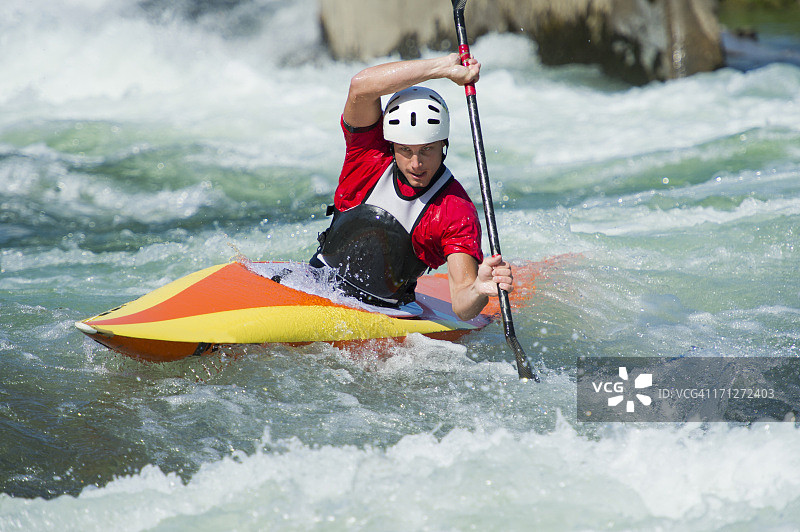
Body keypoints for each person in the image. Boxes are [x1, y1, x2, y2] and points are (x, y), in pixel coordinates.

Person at [311, 53, 513, 321]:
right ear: (391, 146)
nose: (416, 163)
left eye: (427, 150)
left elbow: (462, 305)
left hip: (388, 311)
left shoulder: (454, 210)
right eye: (406, 150)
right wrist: (441, 68)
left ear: (444, 145)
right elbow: (361, 86)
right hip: (317, 281)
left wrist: (478, 289)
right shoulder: (367, 156)